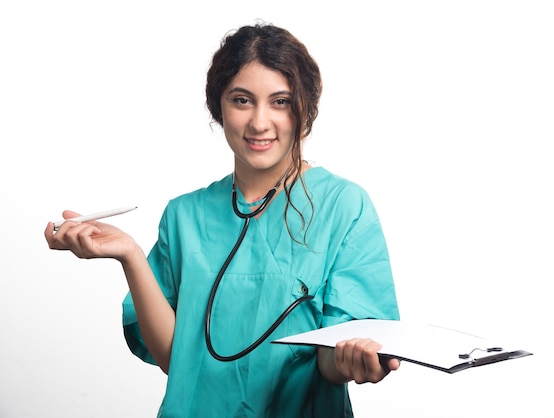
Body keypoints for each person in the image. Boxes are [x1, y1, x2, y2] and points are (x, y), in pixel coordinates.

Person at [45, 22, 400, 418]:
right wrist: (129, 255)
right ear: (219, 107)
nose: (260, 122)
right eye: (242, 100)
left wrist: (352, 358)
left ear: (306, 106)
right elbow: (175, 359)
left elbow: (329, 363)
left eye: (280, 101)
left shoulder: (343, 206)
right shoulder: (184, 216)